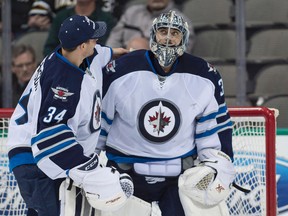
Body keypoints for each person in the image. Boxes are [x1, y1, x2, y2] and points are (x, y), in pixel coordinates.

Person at [99, 10, 235, 215]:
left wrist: (220, 164)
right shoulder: (120, 70)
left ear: (185, 38)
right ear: (153, 34)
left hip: (178, 180)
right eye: (163, 31)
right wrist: (88, 165)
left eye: (175, 33)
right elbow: (99, 125)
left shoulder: (205, 76)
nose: (168, 38)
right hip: (125, 175)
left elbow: (213, 130)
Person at [7, 14, 133, 216]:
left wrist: (118, 52)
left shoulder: (76, 55)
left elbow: (100, 53)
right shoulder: (63, 86)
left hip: (45, 152)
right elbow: (48, 139)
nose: (97, 41)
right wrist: (92, 172)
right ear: (82, 45)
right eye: (93, 38)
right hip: (32, 156)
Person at [105, 0, 195, 53]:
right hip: (122, 64)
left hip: (158, 73)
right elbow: (113, 41)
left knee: (137, 44)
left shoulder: (181, 21)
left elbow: (180, 55)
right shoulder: (131, 12)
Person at [43, 0, 116, 56]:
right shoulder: (61, 17)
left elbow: (105, 47)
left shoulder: (107, 19)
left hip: (94, 67)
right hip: (62, 67)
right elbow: (49, 48)